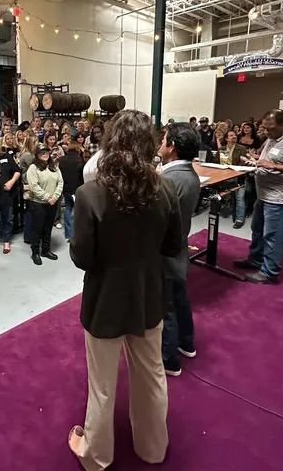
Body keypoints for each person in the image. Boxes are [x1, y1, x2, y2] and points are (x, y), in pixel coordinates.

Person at [67, 109, 182, 471]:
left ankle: (96, 457)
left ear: (111, 142)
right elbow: (173, 246)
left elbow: (81, 257)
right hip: (148, 295)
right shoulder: (165, 188)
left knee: (102, 385)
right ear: (149, 143)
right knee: (152, 376)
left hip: (105, 300)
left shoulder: (89, 194)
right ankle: (153, 448)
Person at [234, 110, 283, 284]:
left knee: (273, 235)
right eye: (264, 128)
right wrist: (255, 160)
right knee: (257, 229)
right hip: (265, 194)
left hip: (280, 197)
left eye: (270, 128)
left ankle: (269, 272)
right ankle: (256, 259)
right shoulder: (275, 135)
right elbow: (273, 157)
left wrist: (273, 166)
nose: (266, 132)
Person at [156, 122, 200, 377]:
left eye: (163, 141)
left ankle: (168, 359)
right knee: (180, 298)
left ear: (172, 147)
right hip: (179, 245)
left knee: (166, 306)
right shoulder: (188, 173)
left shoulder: (170, 179)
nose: (160, 145)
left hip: (165, 250)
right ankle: (187, 342)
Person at [26, 145, 63, 265]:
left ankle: (46, 250)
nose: (45, 154)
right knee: (37, 229)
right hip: (39, 203)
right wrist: (47, 197)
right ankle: (35, 252)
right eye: (42, 152)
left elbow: (60, 182)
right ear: (37, 154)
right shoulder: (33, 168)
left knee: (48, 227)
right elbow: (34, 186)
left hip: (53, 202)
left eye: (47, 152)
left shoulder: (54, 166)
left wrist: (55, 196)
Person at [58, 142, 84, 242]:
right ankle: (78, 234)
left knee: (68, 209)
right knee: (78, 210)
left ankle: (69, 234)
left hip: (66, 188)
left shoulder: (62, 160)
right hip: (77, 189)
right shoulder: (79, 160)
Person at [223, 129, 249, 228]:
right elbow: (217, 162)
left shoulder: (241, 149)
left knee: (239, 198)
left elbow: (245, 163)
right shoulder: (222, 149)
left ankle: (239, 219)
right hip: (224, 176)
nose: (234, 136)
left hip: (239, 176)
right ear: (226, 139)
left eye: (234, 135)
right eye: (231, 135)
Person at [19, 133, 39, 244]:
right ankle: (29, 236)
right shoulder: (28, 156)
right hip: (29, 186)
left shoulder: (31, 154)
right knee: (31, 212)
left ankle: (30, 235)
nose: (37, 144)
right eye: (35, 142)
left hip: (30, 184)